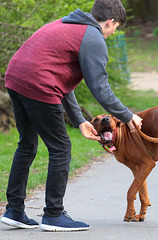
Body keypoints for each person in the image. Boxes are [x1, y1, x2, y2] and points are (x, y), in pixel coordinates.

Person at [0, 0, 142, 232]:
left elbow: (62, 79)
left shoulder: (66, 24)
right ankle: (54, 215)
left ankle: (15, 210)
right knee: (61, 148)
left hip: (16, 77)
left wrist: (79, 120)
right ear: (110, 22)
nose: (113, 33)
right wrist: (127, 116)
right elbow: (100, 88)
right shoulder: (94, 37)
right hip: (38, 84)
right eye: (115, 28)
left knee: (27, 145)